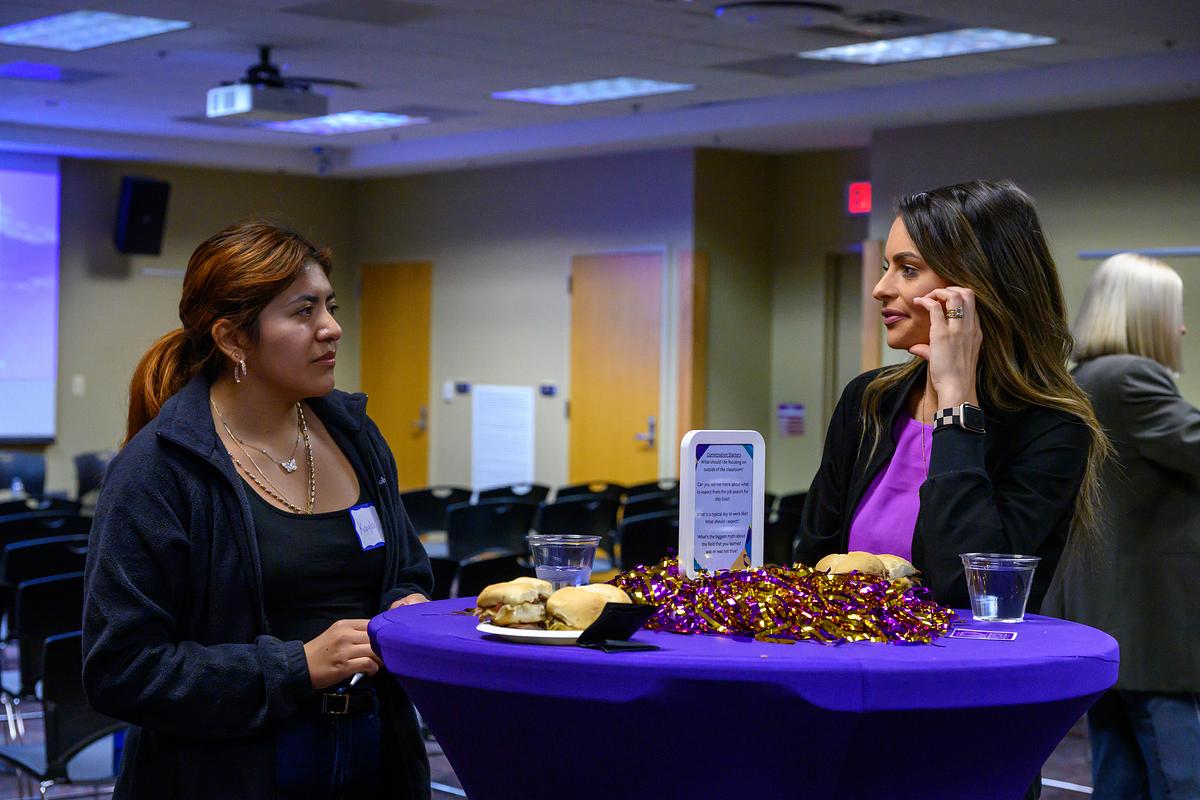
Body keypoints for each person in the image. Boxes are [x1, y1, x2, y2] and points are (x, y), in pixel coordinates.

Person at [83, 221, 434, 799]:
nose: (332, 328)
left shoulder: (356, 436)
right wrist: (296, 667)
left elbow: (407, 572)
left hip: (376, 754)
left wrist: (405, 608)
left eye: (330, 305)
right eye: (303, 312)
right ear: (232, 338)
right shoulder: (158, 471)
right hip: (230, 773)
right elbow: (121, 670)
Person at [794, 179, 1108, 615]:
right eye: (887, 266)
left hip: (963, 673)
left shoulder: (1053, 429)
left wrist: (957, 402)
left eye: (907, 269)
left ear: (974, 287)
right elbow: (812, 564)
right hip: (846, 662)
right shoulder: (868, 400)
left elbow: (970, 591)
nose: (880, 289)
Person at [1044, 253, 1200, 799]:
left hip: (1112, 610)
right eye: (1174, 312)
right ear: (1146, 315)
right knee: (1179, 772)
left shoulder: (1089, 377)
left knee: (1120, 771)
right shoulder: (1130, 376)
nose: (1181, 326)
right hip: (1149, 618)